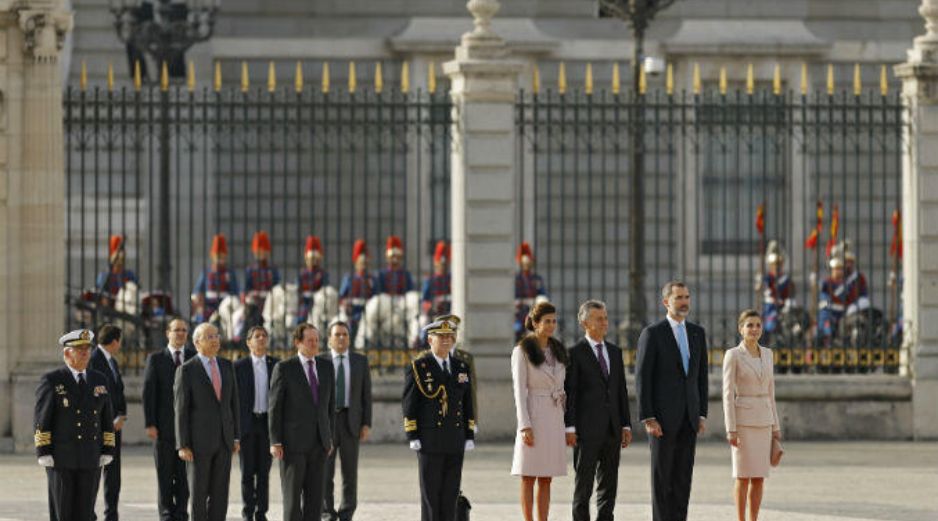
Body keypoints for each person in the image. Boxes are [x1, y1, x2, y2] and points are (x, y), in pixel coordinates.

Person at [636, 281, 709, 521]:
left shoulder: (698, 333)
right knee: (662, 478)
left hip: (689, 418)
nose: (684, 302)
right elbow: (643, 378)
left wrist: (701, 413)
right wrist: (648, 417)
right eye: (679, 297)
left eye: (687, 296)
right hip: (661, 421)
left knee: (682, 479)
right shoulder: (653, 333)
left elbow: (701, 377)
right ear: (666, 302)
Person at [36, 329, 116, 521]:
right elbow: (42, 418)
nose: (85, 353)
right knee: (63, 512)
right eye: (79, 349)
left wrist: (108, 449)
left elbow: (106, 417)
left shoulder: (99, 379)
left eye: (87, 349)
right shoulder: (53, 380)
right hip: (62, 458)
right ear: (67, 353)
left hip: (90, 456)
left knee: (86, 512)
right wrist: (43, 451)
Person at [564, 300, 632, 521]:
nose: (605, 322)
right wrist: (570, 426)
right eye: (599, 319)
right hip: (585, 431)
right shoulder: (575, 353)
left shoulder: (614, 352)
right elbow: (571, 393)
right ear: (585, 322)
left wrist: (625, 424)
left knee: (609, 484)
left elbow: (620, 390)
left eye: (605, 318)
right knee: (584, 486)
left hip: (612, 429)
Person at [402, 316, 476, 521]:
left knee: (450, 493)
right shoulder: (419, 367)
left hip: (455, 438)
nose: (446, 340)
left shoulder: (461, 366)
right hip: (429, 439)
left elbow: (467, 402)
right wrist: (412, 433)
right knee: (431, 494)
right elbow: (410, 403)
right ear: (429, 340)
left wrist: (469, 433)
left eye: (449, 336)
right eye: (440, 336)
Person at [269, 324, 336, 521]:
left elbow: (329, 407)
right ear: (298, 343)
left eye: (317, 340)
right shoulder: (284, 368)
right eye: (310, 340)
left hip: (319, 443)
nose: (315, 344)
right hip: (293, 444)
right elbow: (275, 408)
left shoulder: (326, 367)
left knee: (315, 500)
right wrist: (275, 441)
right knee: (292, 499)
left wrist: (328, 437)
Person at [174, 323, 241, 521]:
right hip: (198, 443)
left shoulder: (227, 366)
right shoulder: (187, 370)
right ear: (197, 342)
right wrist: (183, 444)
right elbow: (181, 409)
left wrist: (235, 436)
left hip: (224, 440)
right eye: (209, 337)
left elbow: (233, 404)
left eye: (216, 336)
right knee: (199, 493)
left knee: (220, 493)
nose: (215, 340)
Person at [510, 301, 569, 521]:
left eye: (554, 321)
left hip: (554, 416)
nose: (551, 325)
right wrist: (524, 425)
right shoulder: (522, 351)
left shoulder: (558, 349)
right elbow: (519, 390)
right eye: (547, 321)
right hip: (533, 414)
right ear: (535, 323)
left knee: (546, 477)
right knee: (528, 476)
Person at [722, 309, 781, 521]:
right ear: (741, 329)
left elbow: (771, 391)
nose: (754, 329)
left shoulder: (768, 354)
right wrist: (731, 428)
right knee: (742, 476)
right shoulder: (733, 355)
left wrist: (776, 426)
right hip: (743, 423)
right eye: (750, 325)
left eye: (757, 325)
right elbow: (727, 394)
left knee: (759, 477)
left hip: (764, 421)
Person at [143, 318, 196, 521]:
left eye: (184, 330)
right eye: (177, 330)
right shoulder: (156, 359)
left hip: (188, 430)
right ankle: (166, 514)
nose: (181, 334)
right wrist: (150, 423)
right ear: (168, 333)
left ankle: (181, 513)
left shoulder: (193, 357)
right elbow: (149, 393)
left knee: (184, 477)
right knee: (165, 475)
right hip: (163, 428)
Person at [323, 321, 373, 521]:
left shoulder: (360, 361)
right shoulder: (321, 361)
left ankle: (346, 512)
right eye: (337, 335)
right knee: (325, 471)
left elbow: (366, 395)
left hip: (351, 422)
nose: (341, 338)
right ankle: (327, 512)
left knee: (349, 472)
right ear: (329, 339)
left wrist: (366, 423)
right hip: (327, 422)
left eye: (345, 334)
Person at [234, 326, 280, 521]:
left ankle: (261, 512)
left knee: (263, 472)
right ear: (248, 342)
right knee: (246, 472)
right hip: (247, 424)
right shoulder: (239, 366)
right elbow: (233, 400)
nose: (261, 339)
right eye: (257, 336)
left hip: (267, 425)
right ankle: (248, 512)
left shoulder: (276, 365)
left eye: (264, 336)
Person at [89, 324, 127, 521]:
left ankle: (111, 514)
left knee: (113, 473)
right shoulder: (93, 360)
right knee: (95, 473)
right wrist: (110, 419)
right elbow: (94, 395)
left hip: (114, 428)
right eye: (120, 341)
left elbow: (118, 392)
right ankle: (90, 513)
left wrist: (121, 415)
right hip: (99, 428)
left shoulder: (112, 361)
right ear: (114, 341)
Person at [192, 233, 240, 323]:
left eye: (222, 257)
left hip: (225, 304)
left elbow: (235, 291)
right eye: (217, 256)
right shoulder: (206, 272)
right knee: (201, 317)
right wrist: (199, 302)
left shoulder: (230, 273)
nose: (219, 259)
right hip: (208, 304)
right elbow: (197, 290)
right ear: (213, 256)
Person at [338, 240, 377, 341]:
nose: (363, 266)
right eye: (361, 263)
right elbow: (341, 296)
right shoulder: (349, 278)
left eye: (365, 263)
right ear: (356, 263)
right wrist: (346, 303)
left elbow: (376, 297)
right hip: (351, 310)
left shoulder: (372, 279)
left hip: (368, 311)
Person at [758, 241, 794, 345]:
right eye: (774, 264)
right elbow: (763, 293)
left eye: (778, 264)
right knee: (767, 327)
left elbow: (790, 295)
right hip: (769, 309)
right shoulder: (767, 278)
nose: (776, 267)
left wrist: (788, 303)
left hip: (784, 309)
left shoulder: (786, 279)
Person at [514, 242, 547, 340]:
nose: (527, 265)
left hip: (534, 309)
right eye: (525, 263)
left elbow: (543, 294)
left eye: (529, 263)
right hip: (519, 312)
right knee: (517, 330)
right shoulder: (516, 279)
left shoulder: (537, 279)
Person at [244, 231, 281, 317]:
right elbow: (247, 288)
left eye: (263, 252)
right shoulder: (250, 269)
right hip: (254, 303)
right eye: (258, 252)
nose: (260, 254)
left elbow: (277, 286)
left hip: (270, 302)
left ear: (267, 253)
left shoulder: (273, 269)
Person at [296, 235, 328, 325]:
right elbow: (297, 290)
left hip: (318, 303)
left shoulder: (322, 274)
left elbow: (325, 289)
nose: (313, 261)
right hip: (305, 302)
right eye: (311, 259)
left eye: (315, 259)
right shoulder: (302, 274)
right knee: (300, 318)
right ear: (306, 259)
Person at [96, 235, 138, 300]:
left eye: (122, 262)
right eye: (117, 263)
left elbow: (136, 289)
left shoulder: (130, 275)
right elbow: (99, 292)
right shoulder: (104, 275)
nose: (120, 265)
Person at [421, 241, 452, 319]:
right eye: (441, 264)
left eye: (445, 264)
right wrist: (430, 306)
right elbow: (424, 300)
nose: (443, 267)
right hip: (434, 313)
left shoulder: (451, 279)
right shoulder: (430, 280)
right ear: (436, 263)